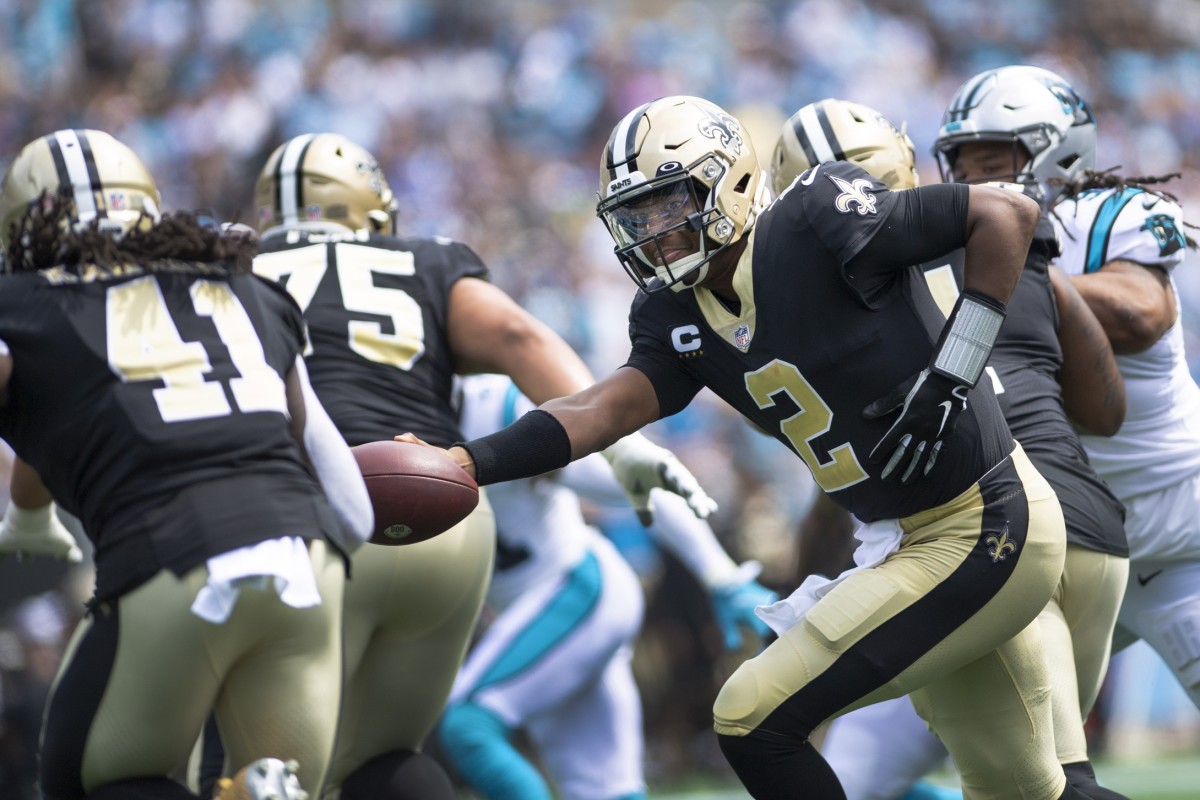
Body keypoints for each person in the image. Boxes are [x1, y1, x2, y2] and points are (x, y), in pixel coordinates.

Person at [397, 94, 1095, 800]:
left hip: (981, 521)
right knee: (1026, 792)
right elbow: (599, 409)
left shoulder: (815, 215)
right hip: (910, 539)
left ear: (727, 181)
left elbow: (1006, 214)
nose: (655, 232)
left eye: (670, 205)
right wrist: (465, 463)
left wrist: (953, 371)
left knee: (750, 714)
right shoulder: (672, 315)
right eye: (637, 216)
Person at [220, 132, 716, 800]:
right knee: (389, 759)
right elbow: (520, 337)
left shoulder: (228, 268)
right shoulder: (424, 260)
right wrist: (622, 447)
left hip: (297, 519)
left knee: (246, 761)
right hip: (435, 510)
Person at [774, 95, 1132, 800]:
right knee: (1027, 782)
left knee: (1043, 788)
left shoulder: (800, 304)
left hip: (985, 538)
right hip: (1091, 528)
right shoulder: (1006, 234)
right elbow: (1106, 408)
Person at [0, 129, 374, 800]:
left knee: (80, 778)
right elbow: (353, 508)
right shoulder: (246, 286)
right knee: (264, 783)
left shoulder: (22, 307)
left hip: (175, 559)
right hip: (306, 559)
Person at [938, 66, 1200, 711]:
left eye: (995, 157)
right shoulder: (948, 244)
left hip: (1181, 539)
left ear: (1059, 150)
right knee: (880, 756)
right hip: (1054, 547)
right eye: (962, 162)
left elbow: (1139, 314)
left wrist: (1014, 278)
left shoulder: (1113, 214)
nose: (975, 179)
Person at [438, 373, 777, 800]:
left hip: (578, 591)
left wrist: (721, 576)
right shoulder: (382, 425)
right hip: (542, 618)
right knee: (605, 790)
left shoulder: (491, 406)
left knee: (468, 724)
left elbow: (640, 483)